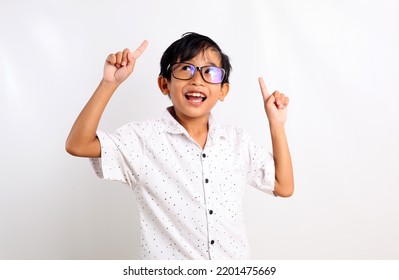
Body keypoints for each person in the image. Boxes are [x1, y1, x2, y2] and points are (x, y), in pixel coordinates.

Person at [65, 32, 294, 260]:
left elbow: (283, 186)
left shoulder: (237, 141)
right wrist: (109, 83)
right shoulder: (143, 139)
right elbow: (78, 144)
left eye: (210, 72)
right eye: (185, 69)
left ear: (223, 90)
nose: (197, 80)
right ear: (164, 84)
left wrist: (276, 124)